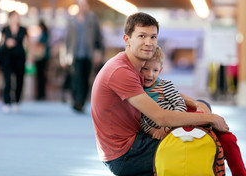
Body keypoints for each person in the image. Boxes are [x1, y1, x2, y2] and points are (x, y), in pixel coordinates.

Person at [91, 12, 229, 176]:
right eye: (142, 36)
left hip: (135, 140)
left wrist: (195, 103)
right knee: (201, 145)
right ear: (127, 40)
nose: (149, 43)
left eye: (153, 37)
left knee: (202, 106)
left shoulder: (134, 65)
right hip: (126, 154)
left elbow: (161, 88)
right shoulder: (121, 71)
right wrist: (211, 118)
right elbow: (160, 117)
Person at [140, 46, 246, 176]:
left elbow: (179, 104)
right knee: (222, 138)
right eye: (145, 69)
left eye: (155, 70)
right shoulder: (138, 91)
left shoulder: (164, 86)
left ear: (161, 70)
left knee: (227, 139)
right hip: (169, 127)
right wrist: (153, 131)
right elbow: (140, 119)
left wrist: (168, 126)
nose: (149, 74)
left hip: (182, 119)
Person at [65, 0, 104, 112]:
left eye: (84, 4)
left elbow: (98, 37)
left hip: (89, 53)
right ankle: (77, 101)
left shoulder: (92, 18)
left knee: (86, 78)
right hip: (76, 53)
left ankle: (81, 102)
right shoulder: (72, 20)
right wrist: (67, 53)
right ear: (77, 5)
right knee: (77, 77)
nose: (83, 6)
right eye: (81, 4)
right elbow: (68, 38)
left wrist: (99, 52)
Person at [0, 11, 28, 114]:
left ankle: (17, 101)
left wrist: (30, 56)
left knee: (19, 80)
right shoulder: (5, 30)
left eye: (17, 17)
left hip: (19, 57)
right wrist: (6, 44)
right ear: (10, 18)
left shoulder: (23, 30)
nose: (16, 19)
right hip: (8, 57)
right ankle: (7, 102)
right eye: (14, 17)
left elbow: (27, 44)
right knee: (8, 80)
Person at [34, 20, 49, 101]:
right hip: (44, 57)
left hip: (41, 58)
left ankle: (41, 94)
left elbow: (40, 44)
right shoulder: (45, 34)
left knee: (40, 76)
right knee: (41, 76)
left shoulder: (44, 34)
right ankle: (41, 93)